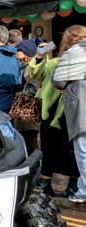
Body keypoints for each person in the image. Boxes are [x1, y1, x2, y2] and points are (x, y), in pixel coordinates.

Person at [29, 41, 79, 197]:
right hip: (50, 112)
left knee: (71, 149)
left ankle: (74, 183)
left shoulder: (80, 66)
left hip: (71, 112)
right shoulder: (53, 63)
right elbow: (35, 74)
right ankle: (46, 181)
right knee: (49, 148)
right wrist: (39, 56)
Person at [53, 25, 86, 203]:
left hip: (81, 106)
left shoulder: (72, 53)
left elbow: (58, 81)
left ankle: (84, 191)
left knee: (83, 150)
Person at [14, 39, 40, 152]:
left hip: (28, 108)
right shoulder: (23, 66)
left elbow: (34, 88)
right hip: (23, 107)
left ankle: (37, 162)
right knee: (25, 141)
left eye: (19, 50)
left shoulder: (31, 67)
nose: (17, 52)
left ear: (27, 53)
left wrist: (19, 95)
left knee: (30, 141)